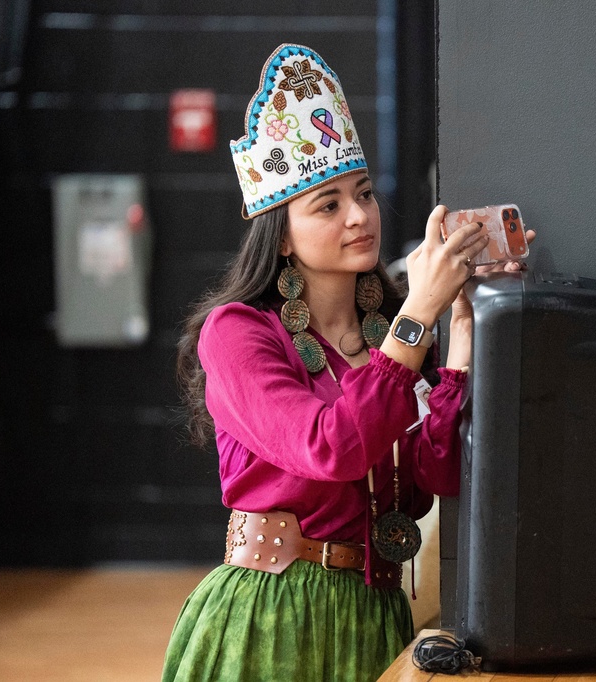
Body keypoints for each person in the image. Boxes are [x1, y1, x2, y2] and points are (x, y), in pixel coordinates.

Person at [163, 44, 532, 681]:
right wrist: (419, 316)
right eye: (327, 205)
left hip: (376, 609)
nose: (359, 217)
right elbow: (328, 448)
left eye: (363, 194)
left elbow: (430, 482)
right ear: (280, 233)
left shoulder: (390, 337)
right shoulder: (236, 334)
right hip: (270, 612)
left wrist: (463, 329)